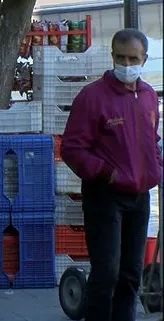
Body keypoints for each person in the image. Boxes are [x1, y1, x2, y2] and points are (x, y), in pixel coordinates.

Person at [61, 28, 162, 321]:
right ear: (112, 55)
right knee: (106, 273)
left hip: (140, 195)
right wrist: (108, 174)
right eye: (120, 57)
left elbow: (151, 140)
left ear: (144, 59)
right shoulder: (92, 97)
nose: (126, 64)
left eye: (133, 58)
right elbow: (72, 148)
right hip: (105, 196)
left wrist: (156, 168)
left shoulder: (147, 96)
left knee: (130, 274)